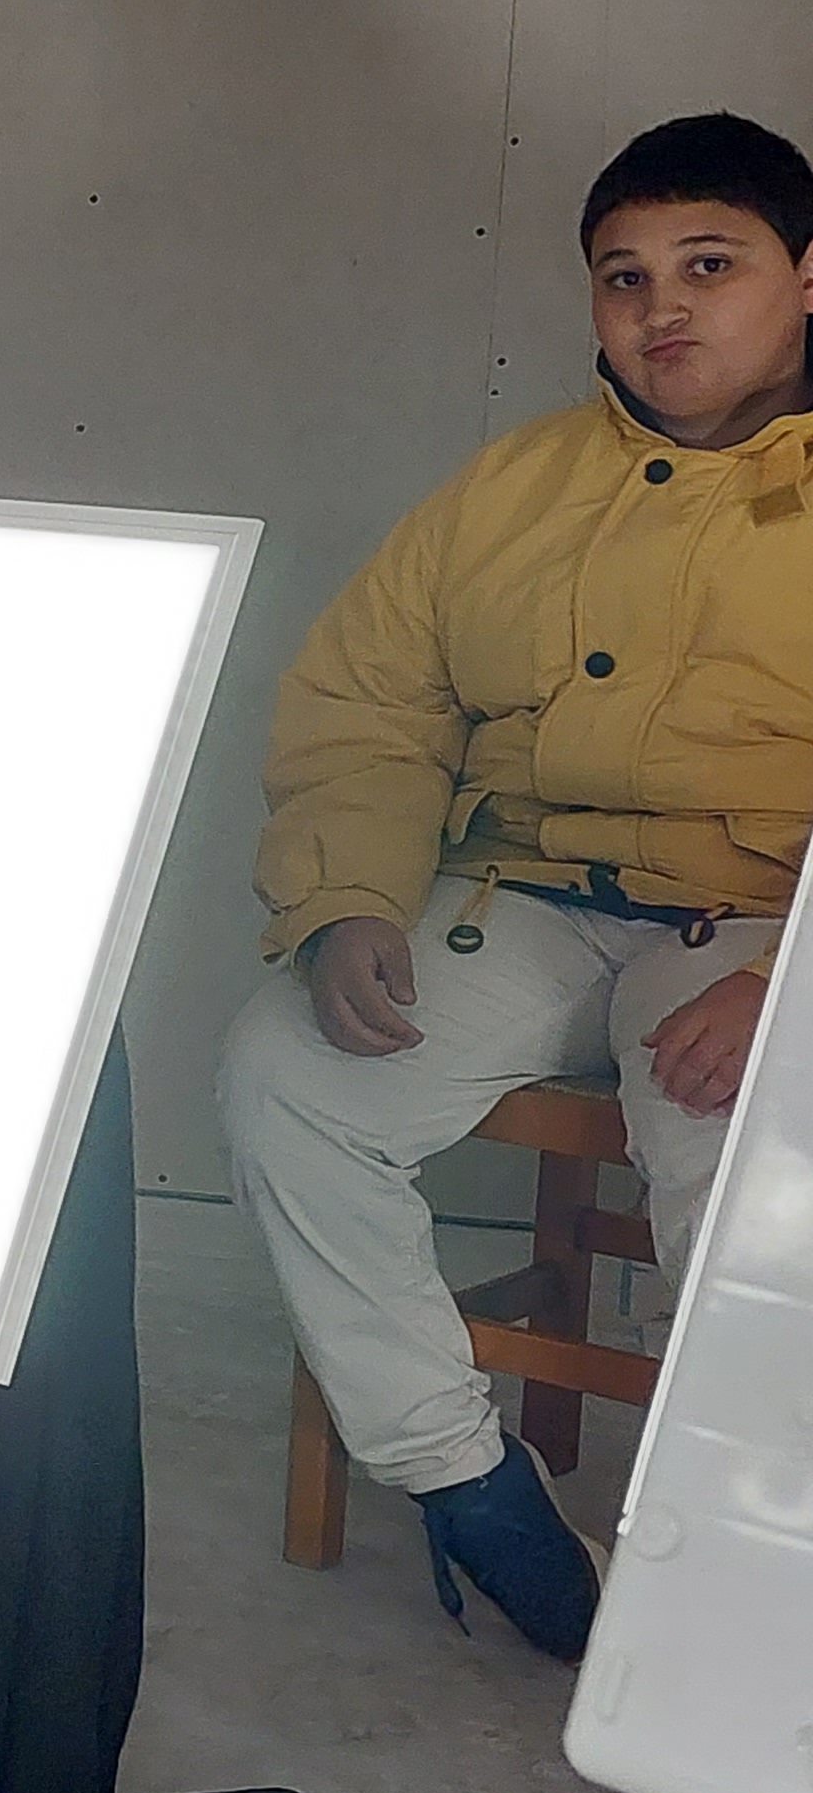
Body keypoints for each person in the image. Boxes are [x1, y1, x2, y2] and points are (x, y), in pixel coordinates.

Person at [221, 111, 813, 1661]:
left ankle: (731, 1564)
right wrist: (348, 901)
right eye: (624, 276)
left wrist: (791, 981)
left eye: (710, 265)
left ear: (809, 278)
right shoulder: (518, 486)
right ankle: (464, 1481)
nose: (661, 307)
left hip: (759, 921)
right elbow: (371, 704)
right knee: (288, 1078)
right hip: (529, 902)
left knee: (739, 1136)